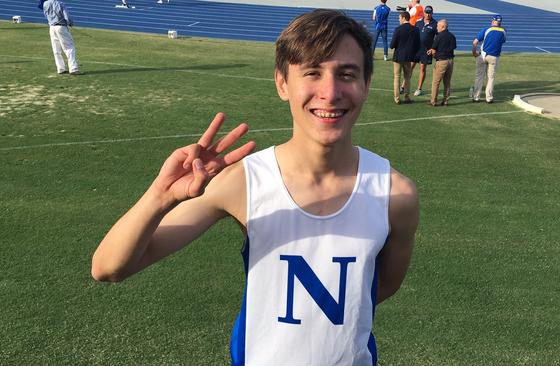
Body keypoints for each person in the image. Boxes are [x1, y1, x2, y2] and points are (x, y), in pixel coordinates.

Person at [91, 9, 419, 366]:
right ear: (282, 83)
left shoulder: (395, 195)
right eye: (312, 72)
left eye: (347, 74)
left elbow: (377, 289)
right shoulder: (244, 182)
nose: (330, 91)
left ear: (366, 85)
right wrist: (161, 196)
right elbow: (108, 268)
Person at [471, 14, 506, 104]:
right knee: (491, 78)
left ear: (493, 21)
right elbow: (502, 41)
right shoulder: (503, 31)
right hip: (494, 57)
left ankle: (476, 97)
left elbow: (475, 42)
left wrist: (474, 53)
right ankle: (489, 98)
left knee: (479, 76)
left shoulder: (487, 29)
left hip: (483, 55)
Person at [42, 0, 81, 75]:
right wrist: (70, 23)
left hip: (52, 27)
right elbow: (67, 17)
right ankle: (73, 69)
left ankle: (60, 68)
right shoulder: (60, 3)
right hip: (61, 27)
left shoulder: (45, 3)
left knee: (56, 50)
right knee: (69, 48)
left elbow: (45, 15)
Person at [390, 11, 420, 104]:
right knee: (407, 78)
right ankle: (407, 97)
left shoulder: (398, 29)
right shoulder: (415, 29)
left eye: (399, 18)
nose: (399, 19)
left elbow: (392, 45)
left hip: (398, 57)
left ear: (403, 18)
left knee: (397, 77)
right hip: (408, 57)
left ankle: (397, 98)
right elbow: (417, 44)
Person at [427, 19, 456, 107]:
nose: (437, 28)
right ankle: (446, 100)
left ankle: (433, 101)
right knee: (447, 82)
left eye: (438, 26)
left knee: (436, 82)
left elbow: (434, 49)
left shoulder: (438, 36)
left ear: (443, 27)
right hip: (450, 61)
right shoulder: (452, 36)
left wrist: (431, 52)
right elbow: (453, 47)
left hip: (441, 61)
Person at [412, 5, 437, 96]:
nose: (428, 14)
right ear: (424, 13)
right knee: (410, 67)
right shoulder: (418, 22)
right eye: (426, 12)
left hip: (426, 50)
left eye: (429, 13)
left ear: (432, 13)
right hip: (416, 49)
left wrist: (433, 48)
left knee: (422, 68)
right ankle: (403, 86)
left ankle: (419, 88)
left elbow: (438, 38)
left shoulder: (435, 24)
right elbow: (413, 34)